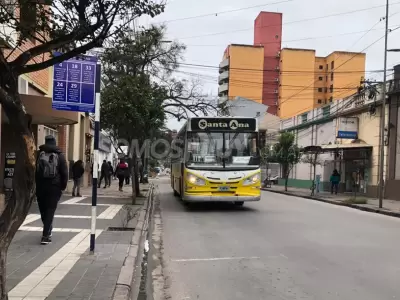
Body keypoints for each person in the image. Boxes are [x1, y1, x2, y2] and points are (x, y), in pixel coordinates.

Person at [36, 135, 68, 245]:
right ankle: (46, 235)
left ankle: (47, 229)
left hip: (41, 186)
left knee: (43, 210)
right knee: (50, 210)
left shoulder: (38, 154)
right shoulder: (60, 155)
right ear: (54, 143)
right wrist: (62, 186)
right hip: (54, 187)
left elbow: (34, 171)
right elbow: (64, 173)